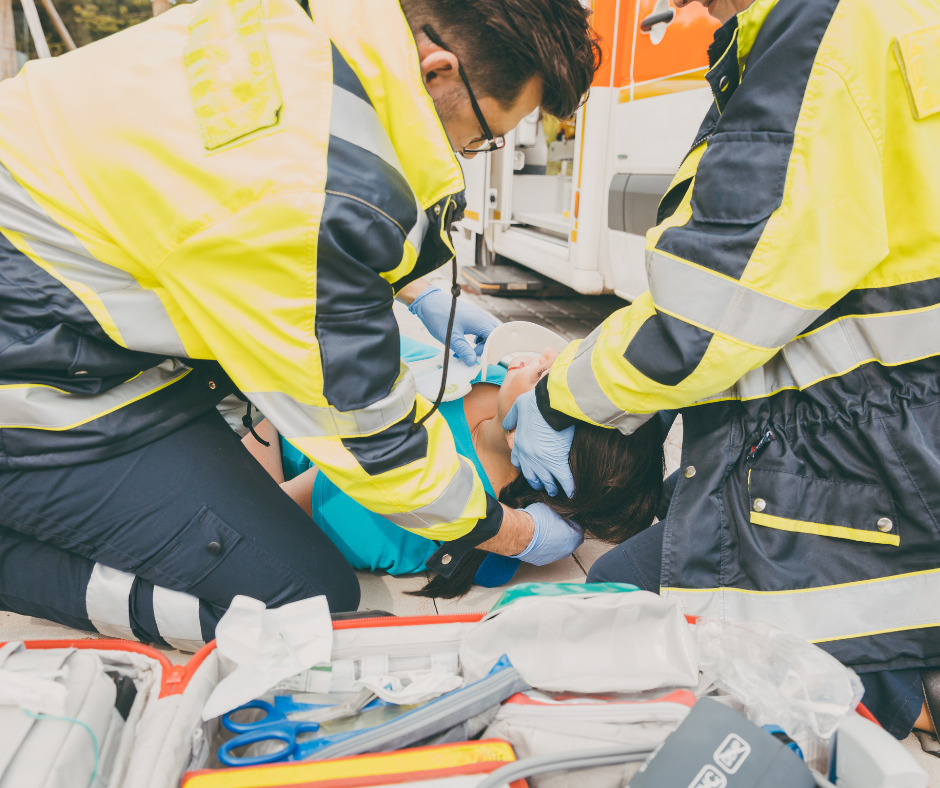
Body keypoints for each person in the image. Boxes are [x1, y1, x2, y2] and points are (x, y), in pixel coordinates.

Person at [0, 0, 600, 650]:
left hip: (65, 305)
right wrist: (509, 532)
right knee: (305, 606)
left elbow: (226, 205)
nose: (465, 150)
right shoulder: (318, 191)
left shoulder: (298, 25)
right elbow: (371, 439)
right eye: (481, 132)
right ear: (438, 71)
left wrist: (415, 291)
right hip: (38, 369)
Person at [500, 0, 940, 740]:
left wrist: (559, 392)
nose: (679, 8)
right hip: (882, 433)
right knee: (679, 524)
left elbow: (704, 315)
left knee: (625, 602)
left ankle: (913, 693)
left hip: (870, 458)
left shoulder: (820, 32)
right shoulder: (850, 21)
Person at [241, 345, 666, 597]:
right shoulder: (496, 388)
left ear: (531, 441)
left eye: (548, 374)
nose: (550, 352)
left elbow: (263, 507)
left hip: (255, 406)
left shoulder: (407, 519)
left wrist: (264, 403)